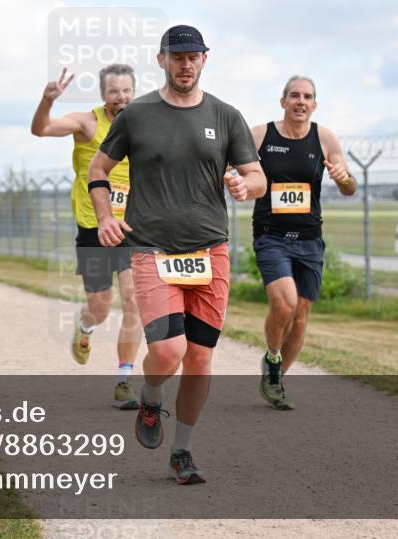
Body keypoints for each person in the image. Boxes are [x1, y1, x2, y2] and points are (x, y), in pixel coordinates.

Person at [89, 25, 265, 485]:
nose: (185, 65)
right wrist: (106, 216)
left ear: (205, 59)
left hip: (212, 251)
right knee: (168, 351)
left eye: (193, 57)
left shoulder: (226, 115)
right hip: (152, 249)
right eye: (177, 56)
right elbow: (98, 168)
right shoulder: (138, 114)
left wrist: (247, 185)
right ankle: (150, 396)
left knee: (201, 359)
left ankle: (182, 452)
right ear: (161, 59)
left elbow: (257, 176)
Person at [31, 64, 144, 410]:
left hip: (133, 227)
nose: (121, 97)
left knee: (134, 301)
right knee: (100, 306)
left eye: (126, 91)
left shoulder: (145, 125)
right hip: (94, 227)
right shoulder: (87, 123)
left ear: (134, 92)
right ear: (102, 94)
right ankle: (85, 324)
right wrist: (46, 101)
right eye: (114, 91)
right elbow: (41, 129)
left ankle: (124, 380)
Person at [250, 76, 357, 410]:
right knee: (285, 304)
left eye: (307, 96)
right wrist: (234, 177)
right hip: (271, 235)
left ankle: (276, 377)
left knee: (301, 317)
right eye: (294, 95)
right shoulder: (260, 135)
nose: (300, 101)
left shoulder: (324, 138)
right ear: (282, 101)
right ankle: (272, 355)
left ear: (314, 104)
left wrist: (344, 179)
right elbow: (233, 168)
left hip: (310, 238)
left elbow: (349, 185)